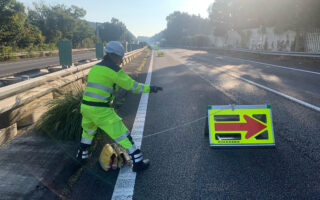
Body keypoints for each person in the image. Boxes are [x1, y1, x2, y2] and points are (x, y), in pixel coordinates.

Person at [76, 41, 162, 172]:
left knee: (88, 132)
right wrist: (151, 88)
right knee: (123, 134)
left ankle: (81, 157)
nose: (121, 61)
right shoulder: (115, 71)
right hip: (101, 110)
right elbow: (133, 86)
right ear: (115, 56)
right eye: (121, 58)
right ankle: (138, 162)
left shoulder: (95, 68)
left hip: (86, 108)